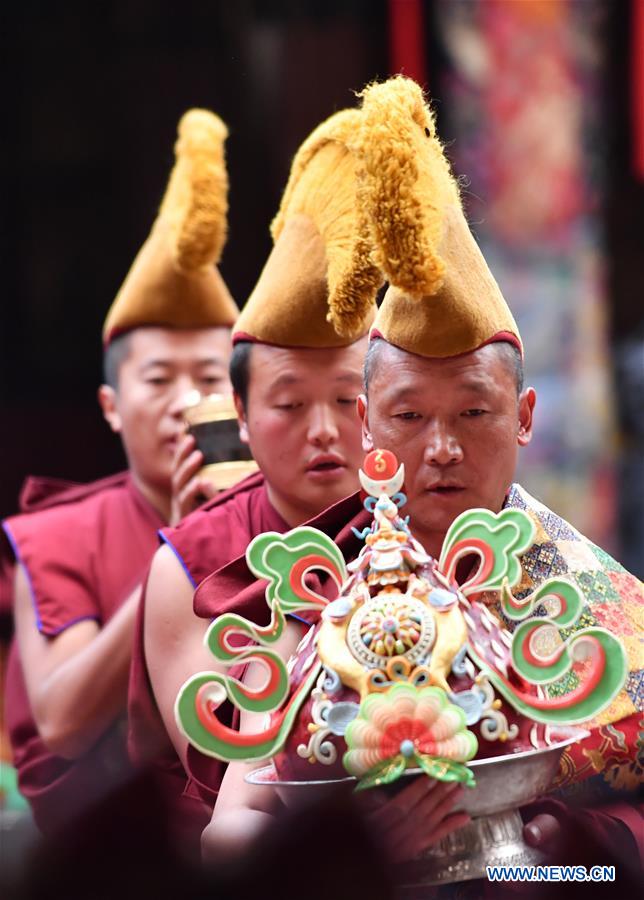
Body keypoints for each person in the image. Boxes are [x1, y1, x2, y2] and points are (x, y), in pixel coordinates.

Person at [195, 77, 642, 872]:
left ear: (526, 417)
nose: (441, 448)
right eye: (409, 417)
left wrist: (574, 855)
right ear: (369, 424)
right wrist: (346, 852)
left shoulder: (600, 602)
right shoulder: (326, 586)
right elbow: (226, 834)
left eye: (473, 414)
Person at [127, 106, 387, 851]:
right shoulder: (191, 564)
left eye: (348, 400)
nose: (324, 430)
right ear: (239, 411)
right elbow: (228, 775)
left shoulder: (427, 526)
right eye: (289, 404)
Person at [2, 108, 239, 834]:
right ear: (110, 405)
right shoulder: (62, 534)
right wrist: (178, 550)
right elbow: (64, 719)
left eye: (206, 375)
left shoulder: (282, 518)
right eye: (158, 378)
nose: (183, 402)